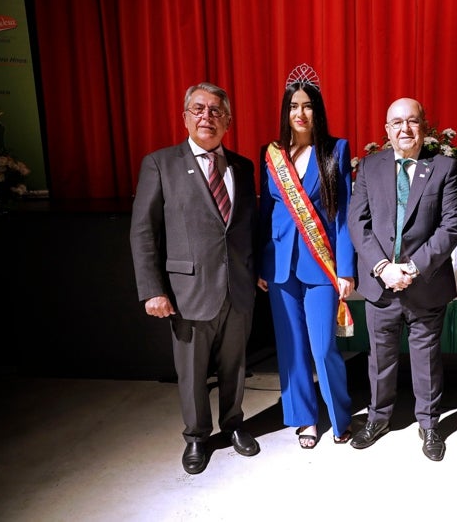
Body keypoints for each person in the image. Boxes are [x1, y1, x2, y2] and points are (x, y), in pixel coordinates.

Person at [130, 82, 260, 474]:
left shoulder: (243, 166)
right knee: (191, 371)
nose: (208, 116)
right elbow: (143, 231)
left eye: (216, 111)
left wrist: (256, 271)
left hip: (237, 287)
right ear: (185, 116)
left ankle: (234, 424)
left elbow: (247, 227)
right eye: (199, 109)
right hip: (187, 291)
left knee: (235, 365)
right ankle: (197, 436)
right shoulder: (160, 164)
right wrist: (153, 289)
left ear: (229, 121)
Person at [348, 97, 457, 461]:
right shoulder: (369, 167)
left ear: (424, 127)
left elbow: (450, 226)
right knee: (379, 359)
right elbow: (358, 223)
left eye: (412, 122)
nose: (404, 129)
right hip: (380, 285)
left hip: (424, 284)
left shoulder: (443, 167)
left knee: (427, 358)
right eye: (396, 123)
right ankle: (378, 418)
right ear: (386, 131)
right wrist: (383, 268)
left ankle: (429, 425)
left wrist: (411, 269)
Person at [257, 64, 354, 449]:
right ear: (286, 111)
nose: (300, 113)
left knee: (323, 346)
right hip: (279, 267)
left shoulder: (336, 150)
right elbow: (266, 214)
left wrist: (346, 269)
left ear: (318, 110)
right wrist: (261, 265)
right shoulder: (272, 155)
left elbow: (342, 214)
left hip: (321, 266)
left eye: (308, 105)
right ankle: (304, 419)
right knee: (292, 347)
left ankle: (339, 415)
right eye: (294, 106)